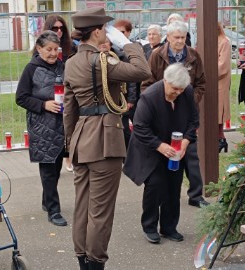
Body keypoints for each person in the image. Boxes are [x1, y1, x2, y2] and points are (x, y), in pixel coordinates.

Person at [63, 7, 151, 270]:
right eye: (106, 29)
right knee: (100, 212)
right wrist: (128, 43)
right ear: (98, 31)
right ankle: (95, 263)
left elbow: (70, 109)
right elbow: (142, 71)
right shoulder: (102, 61)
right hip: (104, 142)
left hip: (81, 141)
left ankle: (83, 260)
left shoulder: (71, 63)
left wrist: (69, 146)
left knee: (82, 207)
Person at [123, 63, 199, 244]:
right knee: (155, 186)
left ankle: (169, 227)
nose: (177, 93)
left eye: (181, 90)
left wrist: (185, 143)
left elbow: (194, 121)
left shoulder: (186, 92)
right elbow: (140, 128)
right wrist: (160, 146)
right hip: (151, 147)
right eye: (174, 89)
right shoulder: (150, 97)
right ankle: (149, 226)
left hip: (176, 147)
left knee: (174, 186)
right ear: (165, 80)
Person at [141, 20, 208, 208]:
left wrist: (190, 100)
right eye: (176, 37)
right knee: (167, 154)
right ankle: (165, 196)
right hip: (163, 112)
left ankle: (196, 195)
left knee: (190, 154)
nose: (180, 41)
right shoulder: (156, 55)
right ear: (168, 37)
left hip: (186, 113)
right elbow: (147, 83)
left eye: (183, 37)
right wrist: (157, 102)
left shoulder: (193, 55)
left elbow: (201, 83)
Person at [16, 31, 67, 227]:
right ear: (39, 49)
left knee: (57, 167)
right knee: (48, 168)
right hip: (42, 126)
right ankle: (54, 211)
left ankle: (47, 200)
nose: (53, 53)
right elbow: (21, 97)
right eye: (49, 50)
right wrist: (43, 105)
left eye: (56, 49)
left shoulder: (62, 66)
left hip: (61, 125)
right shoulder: (31, 69)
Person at [42, 14, 74, 171]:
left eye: (62, 28)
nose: (59, 31)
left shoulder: (72, 48)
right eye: (55, 28)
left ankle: (69, 157)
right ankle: (62, 157)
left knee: (70, 126)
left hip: (70, 93)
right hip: (52, 97)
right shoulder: (41, 50)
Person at [113, 19, 139, 150]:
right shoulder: (113, 49)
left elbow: (132, 78)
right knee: (123, 130)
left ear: (129, 32)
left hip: (130, 97)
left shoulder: (133, 48)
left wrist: (131, 99)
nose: (119, 35)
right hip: (117, 98)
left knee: (137, 129)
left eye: (122, 32)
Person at [217, 22, 231, 153]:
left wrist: (207, 72)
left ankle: (220, 139)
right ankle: (220, 139)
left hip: (219, 81)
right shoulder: (209, 40)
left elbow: (223, 66)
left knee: (218, 112)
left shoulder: (224, 42)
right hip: (209, 82)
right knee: (213, 113)